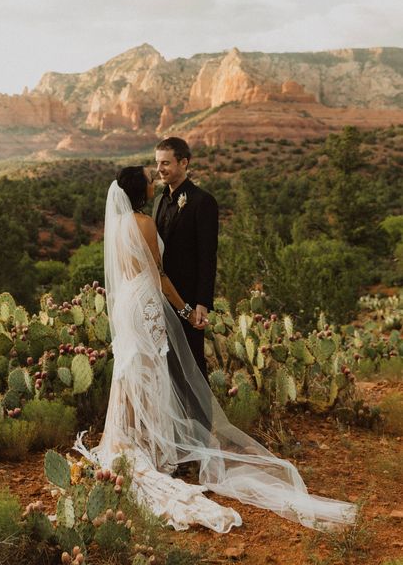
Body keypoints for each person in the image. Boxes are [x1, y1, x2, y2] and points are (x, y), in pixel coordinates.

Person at [74, 166, 356, 533]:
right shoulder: (142, 222)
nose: (153, 179)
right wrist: (188, 311)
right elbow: (158, 276)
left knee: (131, 371)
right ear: (138, 189)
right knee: (152, 371)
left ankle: (129, 441)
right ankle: (150, 449)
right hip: (145, 303)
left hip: (127, 302)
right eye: (148, 176)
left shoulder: (116, 227)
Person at [153, 137, 217, 382]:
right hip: (161, 297)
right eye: (158, 163)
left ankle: (200, 420)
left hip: (189, 299)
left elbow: (207, 255)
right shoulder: (158, 201)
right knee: (167, 365)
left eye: (166, 163)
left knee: (192, 365)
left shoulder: (203, 201)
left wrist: (202, 302)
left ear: (184, 163)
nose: (160, 169)